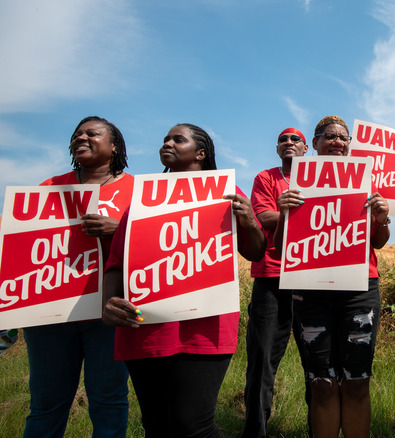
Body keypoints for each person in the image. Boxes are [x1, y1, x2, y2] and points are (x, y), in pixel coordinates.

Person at [102, 123, 266, 437]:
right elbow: (115, 265)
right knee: (156, 425)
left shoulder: (225, 194)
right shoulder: (140, 199)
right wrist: (108, 302)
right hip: (143, 327)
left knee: (193, 425)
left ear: (200, 153)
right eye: (165, 138)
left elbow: (256, 252)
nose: (167, 143)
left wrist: (249, 221)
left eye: (178, 139)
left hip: (205, 329)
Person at [274, 115, 395, 438]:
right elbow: (279, 247)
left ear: (349, 145)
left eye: (343, 137)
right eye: (327, 135)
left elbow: (378, 241)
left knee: (357, 382)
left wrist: (382, 219)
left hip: (360, 289)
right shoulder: (296, 184)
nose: (336, 141)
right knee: (321, 383)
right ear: (313, 144)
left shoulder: (366, 182)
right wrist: (283, 215)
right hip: (309, 292)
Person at [23, 116, 132, 438]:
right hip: (50, 313)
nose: (81, 137)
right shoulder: (49, 188)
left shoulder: (136, 191)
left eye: (92, 133)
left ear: (114, 146)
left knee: (109, 398)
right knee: (46, 403)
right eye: (77, 134)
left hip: (108, 313)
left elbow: (154, 245)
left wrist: (119, 229)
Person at [242, 128, 311, 438]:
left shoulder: (321, 177)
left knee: (317, 363)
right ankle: (256, 430)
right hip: (271, 276)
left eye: (295, 139)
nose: (289, 143)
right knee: (262, 360)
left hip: (312, 278)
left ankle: (318, 428)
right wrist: (290, 210)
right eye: (283, 139)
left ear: (307, 147)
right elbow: (262, 217)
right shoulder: (266, 178)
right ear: (276, 148)